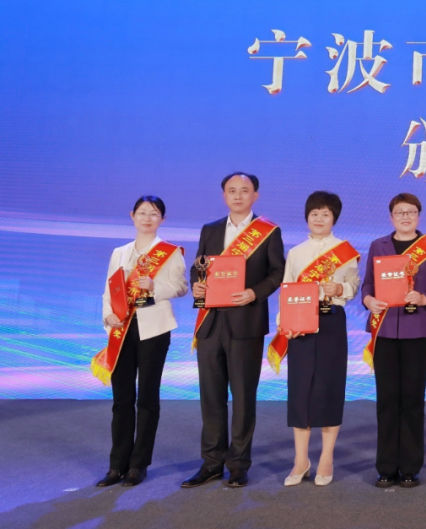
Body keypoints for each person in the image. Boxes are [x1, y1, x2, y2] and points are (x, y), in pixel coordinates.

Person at [183, 172, 285, 489]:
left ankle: (238, 464)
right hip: (211, 323)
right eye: (231, 190)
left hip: (246, 322)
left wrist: (254, 293)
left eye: (244, 190)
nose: (238, 195)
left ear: (255, 195)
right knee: (211, 396)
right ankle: (212, 463)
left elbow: (277, 271)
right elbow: (198, 267)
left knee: (242, 397)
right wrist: (197, 285)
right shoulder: (210, 229)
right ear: (224, 195)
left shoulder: (268, 231)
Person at [94, 195, 188, 488]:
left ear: (163, 219)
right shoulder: (119, 252)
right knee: (122, 399)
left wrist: (155, 286)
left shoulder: (170, 252)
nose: (148, 218)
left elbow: (182, 287)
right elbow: (108, 290)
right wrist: (108, 315)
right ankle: (116, 465)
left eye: (154, 213)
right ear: (132, 215)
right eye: (143, 212)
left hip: (154, 329)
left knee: (147, 397)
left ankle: (138, 465)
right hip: (122, 329)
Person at [360, 193, 426, 489]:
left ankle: (410, 466)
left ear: (418, 215)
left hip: (417, 329)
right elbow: (368, 283)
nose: (405, 217)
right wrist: (368, 300)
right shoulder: (378, 246)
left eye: (411, 212)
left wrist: (424, 297)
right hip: (384, 330)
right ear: (391, 216)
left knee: (412, 399)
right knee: (386, 400)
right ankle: (385, 466)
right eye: (399, 212)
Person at [277, 191, 360, 488]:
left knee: (329, 387)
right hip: (301, 323)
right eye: (314, 213)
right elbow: (287, 288)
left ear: (334, 218)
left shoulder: (345, 251)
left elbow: (353, 285)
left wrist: (340, 290)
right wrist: (285, 323)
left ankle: (326, 457)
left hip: (331, 322)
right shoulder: (296, 252)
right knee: (300, 389)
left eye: (325, 214)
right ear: (307, 217)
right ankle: (301, 460)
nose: (319, 218)